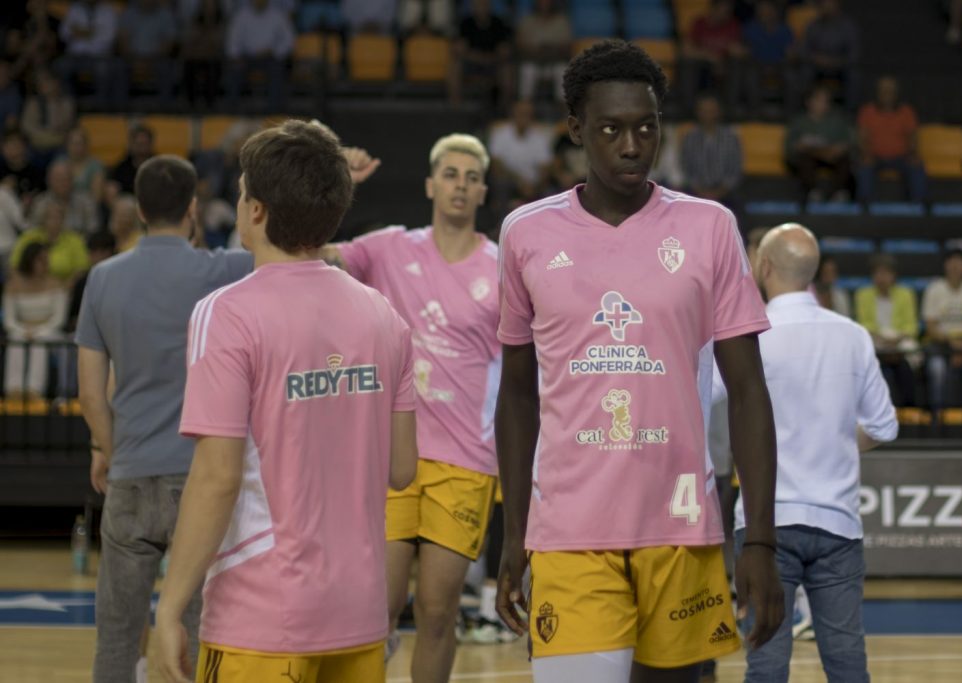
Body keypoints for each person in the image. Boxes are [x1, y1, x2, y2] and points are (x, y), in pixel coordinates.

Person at [494, 40, 784, 683]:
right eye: (611, 129)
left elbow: (749, 390)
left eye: (647, 127)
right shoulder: (525, 233)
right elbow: (516, 395)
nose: (632, 145)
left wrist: (758, 537)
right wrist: (514, 535)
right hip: (568, 531)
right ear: (575, 131)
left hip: (681, 526)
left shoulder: (710, 227)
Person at [154, 119, 418, 683]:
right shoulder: (386, 318)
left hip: (264, 615)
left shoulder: (225, 314)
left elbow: (216, 478)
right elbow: (402, 469)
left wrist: (171, 607)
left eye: (244, 189)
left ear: (255, 210)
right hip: (360, 613)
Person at [325, 133, 503, 683]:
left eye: (471, 178)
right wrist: (337, 189)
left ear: (482, 193)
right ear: (430, 184)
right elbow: (314, 255)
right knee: (376, 611)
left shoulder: (501, 267)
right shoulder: (388, 248)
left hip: (466, 463)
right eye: (450, 174)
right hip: (392, 456)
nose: (460, 185)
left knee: (437, 611)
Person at [76, 156, 257, 683]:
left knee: (115, 636)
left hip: (130, 475)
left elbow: (90, 393)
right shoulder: (223, 269)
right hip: (201, 479)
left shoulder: (102, 279)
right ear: (193, 209)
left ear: (136, 209)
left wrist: (109, 451)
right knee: (202, 632)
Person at [737, 223, 897, 682]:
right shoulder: (852, 335)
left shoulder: (747, 335)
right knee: (847, 664)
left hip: (764, 524)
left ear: (764, 266)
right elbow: (884, 425)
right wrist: (841, 443)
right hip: (837, 523)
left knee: (766, 662)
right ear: (812, 271)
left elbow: (696, 399)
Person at [922, 249, 962, 409]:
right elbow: (931, 326)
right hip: (941, 344)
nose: (956, 266)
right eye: (952, 262)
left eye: (960, 262)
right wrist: (952, 344)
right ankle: (937, 414)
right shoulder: (934, 290)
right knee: (936, 370)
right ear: (945, 265)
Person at [4, 242, 68, 399]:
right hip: (22, 329)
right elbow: (9, 320)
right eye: (40, 260)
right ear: (29, 261)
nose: (45, 264)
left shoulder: (57, 284)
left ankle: (35, 390)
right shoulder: (13, 285)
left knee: (41, 342)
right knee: (15, 340)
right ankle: (13, 389)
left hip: (50, 331)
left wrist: (38, 331)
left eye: (46, 260)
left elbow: (59, 319)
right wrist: (24, 331)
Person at [854, 254, 919, 407]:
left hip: (899, 342)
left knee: (907, 363)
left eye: (886, 273)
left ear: (893, 276)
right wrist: (881, 339)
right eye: (878, 273)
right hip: (876, 342)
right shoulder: (863, 295)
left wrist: (896, 339)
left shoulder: (905, 294)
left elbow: (911, 325)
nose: (882, 278)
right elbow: (863, 324)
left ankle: (909, 408)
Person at [856, 76, 927, 203]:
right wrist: (866, 154)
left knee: (916, 164)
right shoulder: (867, 111)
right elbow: (862, 138)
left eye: (890, 90)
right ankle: (865, 204)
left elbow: (913, 137)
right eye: (883, 90)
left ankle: (919, 204)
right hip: (874, 157)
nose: (886, 93)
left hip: (901, 157)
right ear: (877, 92)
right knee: (864, 164)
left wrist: (912, 154)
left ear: (896, 93)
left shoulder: (906, 111)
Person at [785, 86, 855, 202]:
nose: (823, 104)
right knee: (804, 159)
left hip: (833, 158)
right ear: (808, 102)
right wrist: (816, 151)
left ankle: (837, 193)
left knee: (845, 160)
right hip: (809, 159)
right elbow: (790, 149)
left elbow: (847, 143)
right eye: (819, 100)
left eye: (826, 101)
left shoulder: (837, 121)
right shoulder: (798, 122)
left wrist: (838, 149)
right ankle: (813, 193)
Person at [224, 0, 294, 112]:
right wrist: (236, 56)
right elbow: (233, 41)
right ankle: (232, 111)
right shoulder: (241, 15)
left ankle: (273, 110)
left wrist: (275, 51)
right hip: (247, 58)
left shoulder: (278, 15)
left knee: (277, 70)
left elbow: (288, 40)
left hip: (270, 57)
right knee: (234, 69)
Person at [488, 100, 553, 210]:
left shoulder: (539, 137)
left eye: (527, 114)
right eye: (521, 113)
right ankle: (502, 224)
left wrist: (535, 185)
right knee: (500, 184)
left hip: (534, 184)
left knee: (550, 190)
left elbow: (545, 167)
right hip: (510, 182)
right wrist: (519, 182)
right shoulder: (500, 134)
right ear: (513, 114)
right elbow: (496, 165)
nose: (524, 117)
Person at [680, 94, 743, 206]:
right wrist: (701, 191)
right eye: (703, 110)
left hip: (726, 193)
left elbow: (735, 169)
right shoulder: (690, 138)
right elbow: (686, 168)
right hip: (696, 192)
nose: (707, 114)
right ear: (697, 112)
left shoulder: (731, 137)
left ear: (719, 112)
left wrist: (719, 192)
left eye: (711, 110)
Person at [448, 0, 514, 109]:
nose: (481, 8)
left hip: (493, 63)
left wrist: (490, 58)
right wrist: (478, 57)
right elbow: (459, 49)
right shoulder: (466, 23)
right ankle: (456, 104)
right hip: (471, 63)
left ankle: (505, 106)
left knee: (507, 68)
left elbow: (504, 50)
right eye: (478, 5)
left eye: (484, 5)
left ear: (489, 7)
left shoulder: (498, 23)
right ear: (473, 7)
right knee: (455, 65)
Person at [800, 0, 861, 108]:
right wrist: (816, 58)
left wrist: (834, 62)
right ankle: (805, 111)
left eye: (829, 4)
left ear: (837, 5)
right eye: (823, 5)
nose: (826, 8)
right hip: (818, 66)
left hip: (840, 67)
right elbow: (805, 51)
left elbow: (853, 56)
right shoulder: (813, 25)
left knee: (854, 76)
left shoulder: (848, 26)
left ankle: (850, 114)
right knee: (805, 72)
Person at [11, 200, 90, 282]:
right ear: (42, 219)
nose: (54, 221)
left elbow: (81, 270)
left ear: (63, 220)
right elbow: (14, 267)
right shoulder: (28, 238)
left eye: (58, 217)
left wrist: (63, 289)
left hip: (65, 289)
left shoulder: (75, 240)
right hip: (30, 288)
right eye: (50, 217)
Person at [516, 0, 572, 101]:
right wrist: (536, 50)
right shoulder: (528, 21)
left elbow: (567, 46)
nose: (544, 3)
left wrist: (551, 49)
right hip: (534, 62)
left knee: (562, 70)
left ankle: (564, 111)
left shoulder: (561, 21)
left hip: (555, 62)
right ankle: (525, 106)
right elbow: (521, 45)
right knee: (527, 71)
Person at [28, 158, 100, 236]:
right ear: (49, 181)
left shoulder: (86, 201)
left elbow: (94, 231)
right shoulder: (40, 203)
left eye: (65, 179)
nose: (62, 183)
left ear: (72, 180)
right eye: (57, 179)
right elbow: (33, 232)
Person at [109, 124, 155, 196]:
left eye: (144, 144)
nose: (141, 148)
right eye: (139, 144)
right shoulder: (122, 167)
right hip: (128, 203)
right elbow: (114, 185)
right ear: (131, 144)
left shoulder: (160, 166)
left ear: (151, 144)